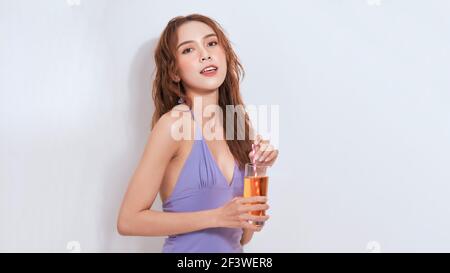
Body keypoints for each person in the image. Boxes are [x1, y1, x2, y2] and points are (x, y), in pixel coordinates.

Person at [117, 14, 279, 252]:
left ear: (225, 54)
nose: (205, 54)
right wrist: (217, 217)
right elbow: (128, 221)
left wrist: (259, 169)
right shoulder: (174, 125)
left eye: (211, 43)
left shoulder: (237, 126)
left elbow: (245, 235)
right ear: (174, 72)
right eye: (188, 50)